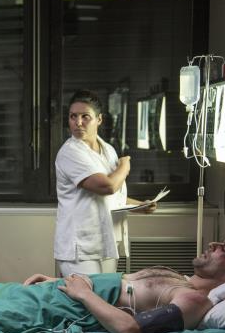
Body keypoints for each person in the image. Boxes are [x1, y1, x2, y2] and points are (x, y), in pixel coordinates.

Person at [25, 236, 225, 333]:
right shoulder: (179, 279)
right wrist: (56, 281)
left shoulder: (194, 300)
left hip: (65, 308)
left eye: (224, 249)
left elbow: (129, 328)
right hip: (57, 293)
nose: (213, 244)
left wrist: (84, 293)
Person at [55, 89, 154, 278]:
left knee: (107, 294)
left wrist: (140, 206)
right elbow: (107, 187)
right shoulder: (70, 152)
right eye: (73, 116)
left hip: (106, 241)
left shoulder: (108, 150)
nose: (78, 122)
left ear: (99, 119)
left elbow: (114, 198)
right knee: (86, 296)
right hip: (80, 247)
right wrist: (125, 166)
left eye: (85, 116)